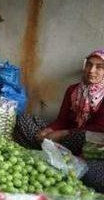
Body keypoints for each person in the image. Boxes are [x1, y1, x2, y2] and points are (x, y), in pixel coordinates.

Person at [14, 49, 104, 191]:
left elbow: (98, 129)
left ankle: (55, 153)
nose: (91, 70)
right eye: (89, 65)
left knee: (80, 137)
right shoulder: (73, 90)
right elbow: (62, 119)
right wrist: (49, 130)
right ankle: (52, 151)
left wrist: (63, 133)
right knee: (24, 119)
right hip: (64, 139)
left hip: (87, 144)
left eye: (100, 67)